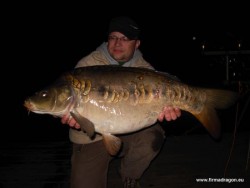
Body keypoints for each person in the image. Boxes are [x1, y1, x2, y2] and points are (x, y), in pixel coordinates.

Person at [61, 16, 181, 188]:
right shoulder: (87, 66)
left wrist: (168, 110)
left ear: (137, 44)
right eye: (113, 37)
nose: (118, 43)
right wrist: (76, 121)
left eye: (125, 39)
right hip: (91, 138)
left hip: (130, 131)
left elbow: (154, 110)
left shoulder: (146, 71)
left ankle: (129, 173)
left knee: (153, 137)